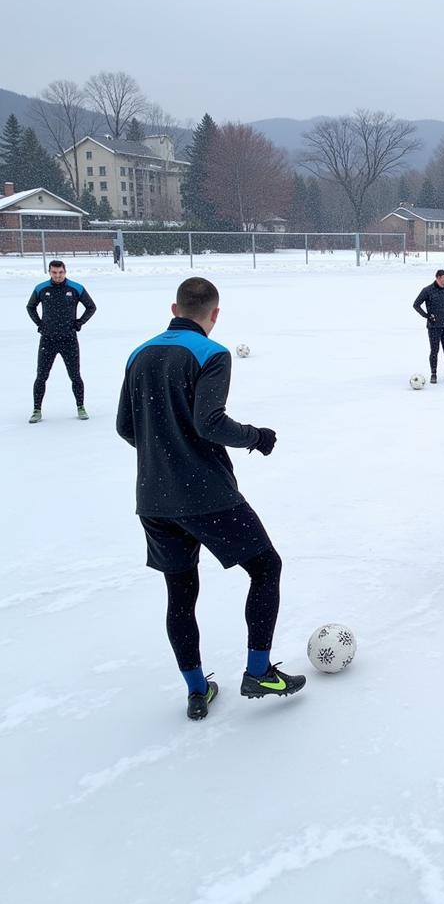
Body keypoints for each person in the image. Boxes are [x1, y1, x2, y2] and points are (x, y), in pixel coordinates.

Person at [116, 277, 305, 721]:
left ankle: (198, 690)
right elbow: (210, 422)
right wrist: (256, 437)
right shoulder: (211, 353)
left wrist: (164, 452)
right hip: (206, 494)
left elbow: (127, 427)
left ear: (175, 308)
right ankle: (258, 672)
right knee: (266, 567)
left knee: (180, 592)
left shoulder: (138, 353)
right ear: (214, 314)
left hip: (154, 499)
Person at [26, 259, 96, 423]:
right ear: (49, 272)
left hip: (69, 339)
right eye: (54, 272)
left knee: (75, 376)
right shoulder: (41, 288)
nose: (58, 275)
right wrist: (39, 323)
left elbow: (91, 307)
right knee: (41, 376)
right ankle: (37, 409)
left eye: (61, 272)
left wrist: (79, 323)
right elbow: (30, 307)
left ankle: (80, 406)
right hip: (48, 340)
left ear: (65, 271)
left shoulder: (75, 288)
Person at [413, 269, 444, 384]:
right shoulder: (427, 291)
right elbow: (416, 305)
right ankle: (433, 374)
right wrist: (427, 315)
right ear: (438, 277)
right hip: (434, 327)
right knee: (434, 351)